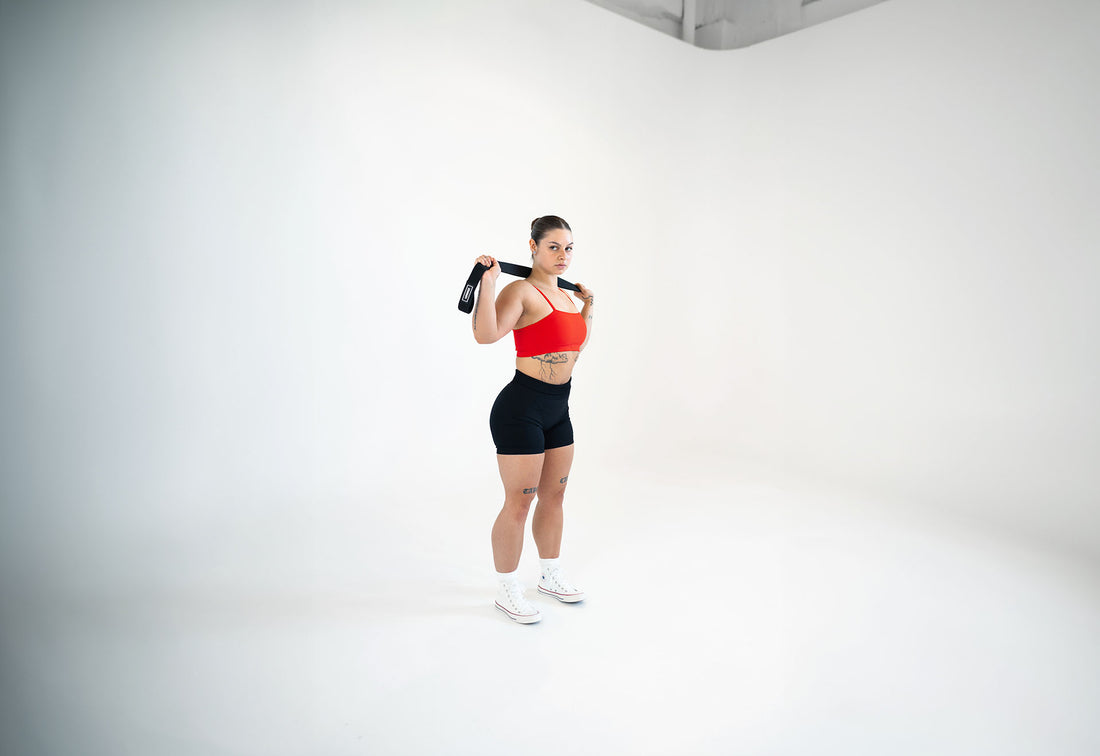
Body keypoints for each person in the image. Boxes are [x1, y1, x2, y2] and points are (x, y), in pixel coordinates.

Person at [471, 216, 595, 624]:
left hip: (559, 409)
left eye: (569, 247)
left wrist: (588, 310)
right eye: (554, 247)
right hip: (521, 408)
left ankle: (550, 575)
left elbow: (572, 346)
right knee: (519, 503)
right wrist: (487, 285)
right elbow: (486, 335)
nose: (563, 255)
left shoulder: (568, 298)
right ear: (533, 247)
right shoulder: (521, 290)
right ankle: (508, 589)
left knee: (554, 496)